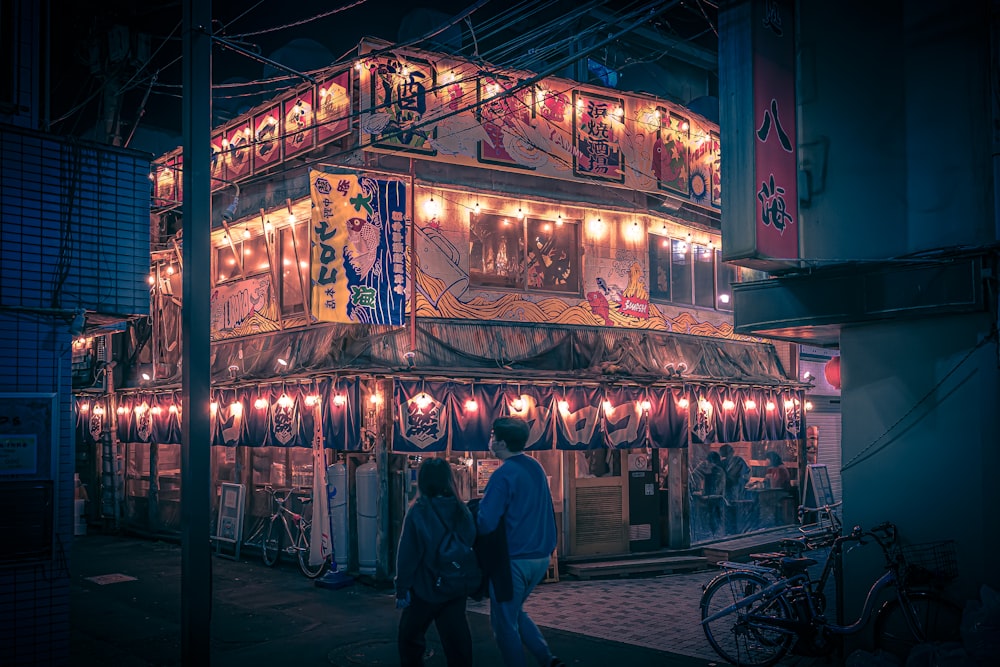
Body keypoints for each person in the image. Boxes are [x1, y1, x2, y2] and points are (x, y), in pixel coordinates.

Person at [477, 417, 565, 667]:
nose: (490, 440)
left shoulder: (503, 474)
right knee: (514, 611)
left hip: (513, 559)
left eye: (493, 436)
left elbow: (486, 522)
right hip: (541, 555)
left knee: (503, 623)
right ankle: (547, 659)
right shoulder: (534, 466)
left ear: (501, 442)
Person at [395, 457, 476, 667]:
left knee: (409, 639)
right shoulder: (462, 509)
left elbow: (407, 554)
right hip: (455, 586)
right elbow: (469, 542)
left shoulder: (419, 510)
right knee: (458, 644)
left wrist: (402, 588)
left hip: (425, 588)